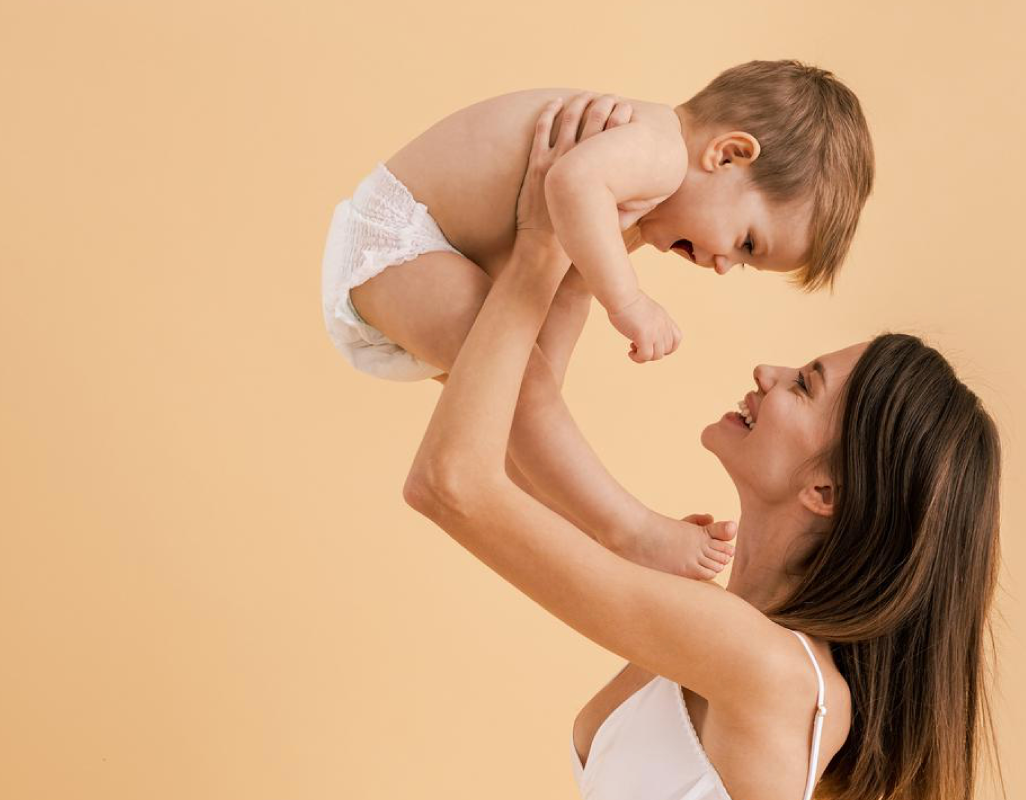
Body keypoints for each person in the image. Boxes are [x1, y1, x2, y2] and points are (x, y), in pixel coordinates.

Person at [403, 100, 1002, 800]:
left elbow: (450, 483)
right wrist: (572, 259)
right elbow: (507, 460)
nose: (767, 374)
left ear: (828, 492)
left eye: (805, 385)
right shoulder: (720, 633)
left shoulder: (762, 667)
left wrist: (540, 243)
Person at [323, 60, 875, 579]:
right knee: (528, 394)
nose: (726, 265)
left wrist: (543, 399)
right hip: (401, 241)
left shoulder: (630, 198)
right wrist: (629, 302)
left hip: (431, 254)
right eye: (748, 241)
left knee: (527, 398)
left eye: (747, 261)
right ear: (727, 155)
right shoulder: (658, 149)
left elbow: (569, 286)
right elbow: (568, 182)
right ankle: (628, 529)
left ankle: (589, 525)